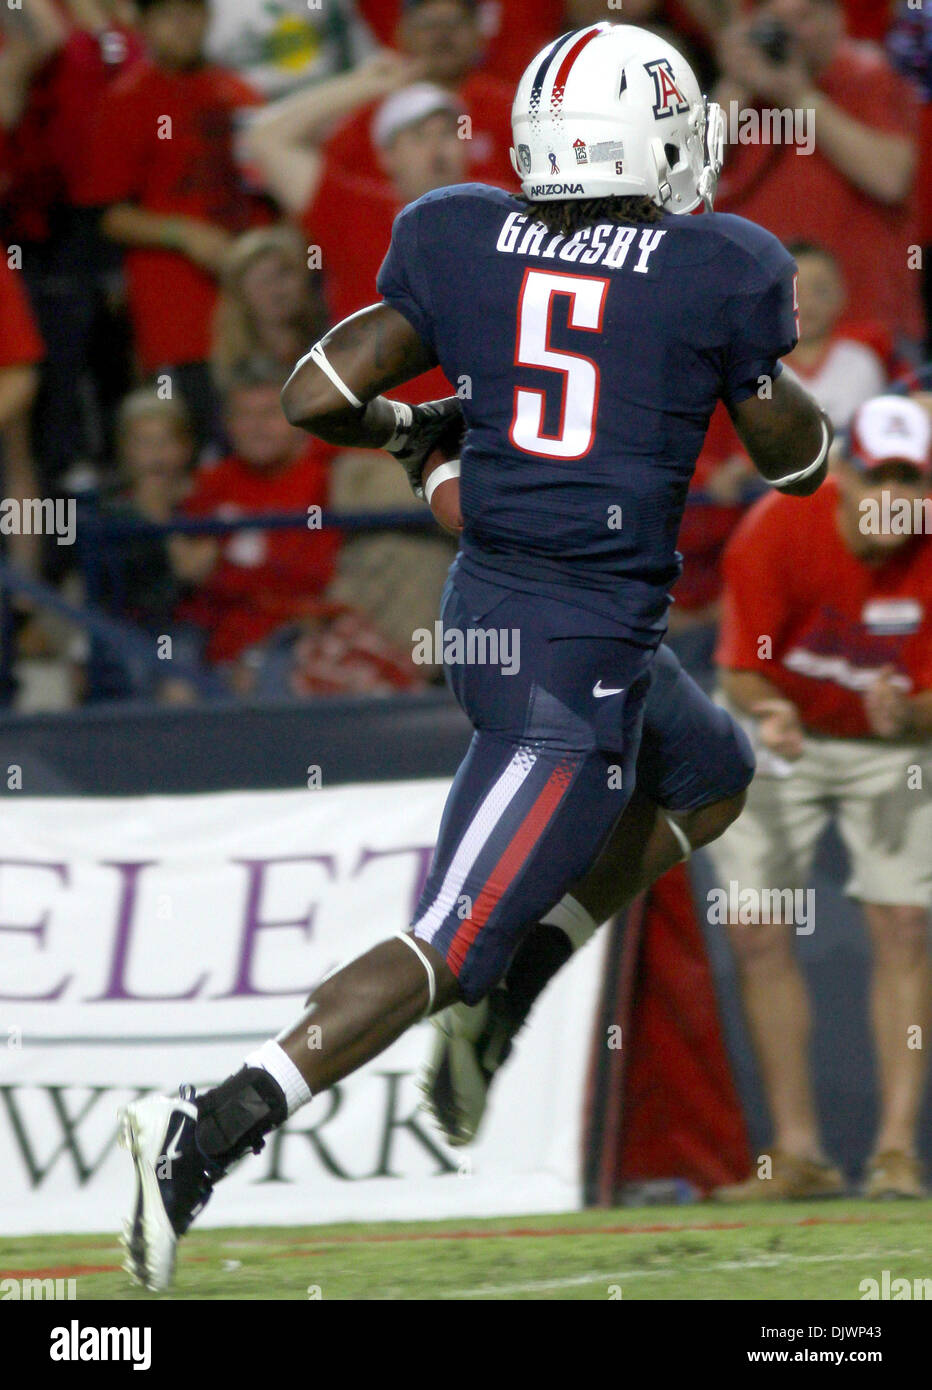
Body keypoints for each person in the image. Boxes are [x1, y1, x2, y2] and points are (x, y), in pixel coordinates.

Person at [117, 21, 830, 1291]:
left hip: (516, 610)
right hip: (565, 662)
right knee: (450, 942)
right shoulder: (717, 266)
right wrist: (760, 380)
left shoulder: (461, 231)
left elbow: (311, 395)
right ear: (648, 138)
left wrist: (424, 430)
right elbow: (795, 459)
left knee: (711, 776)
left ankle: (518, 988)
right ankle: (216, 1117)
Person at [705, 393, 932, 1201]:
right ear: (844, 475)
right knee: (759, 932)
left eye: (914, 482)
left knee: (904, 924)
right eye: (881, 478)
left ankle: (896, 1152)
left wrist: (910, 714)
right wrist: (770, 712)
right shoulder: (776, 527)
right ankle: (797, 1153)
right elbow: (737, 664)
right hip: (779, 726)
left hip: (894, 745)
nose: (896, 500)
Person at [81, 0, 266, 449]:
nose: (182, 25)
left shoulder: (239, 92)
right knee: (196, 443)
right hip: (177, 316)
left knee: (263, 431)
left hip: (254, 311)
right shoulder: (127, 100)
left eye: (192, 12)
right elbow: (105, 216)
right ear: (144, 25)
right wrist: (181, 234)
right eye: (168, 15)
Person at [712, 0, 921, 348]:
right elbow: (686, 174)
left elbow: (890, 179)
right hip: (759, 331)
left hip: (864, 326)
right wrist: (736, 85)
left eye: (804, 17)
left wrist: (797, 96)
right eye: (774, 19)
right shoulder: (744, 92)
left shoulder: (870, 77)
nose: (789, 32)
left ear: (837, 20)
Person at [174, 359, 341, 671]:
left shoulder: (325, 477)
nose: (256, 427)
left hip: (293, 633)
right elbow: (189, 574)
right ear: (227, 424)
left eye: (269, 414)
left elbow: (311, 578)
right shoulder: (211, 483)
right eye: (244, 415)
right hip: (211, 634)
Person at [211, 225, 327, 395]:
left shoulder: (334, 344)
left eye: (282, 275)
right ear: (240, 294)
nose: (276, 291)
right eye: (261, 282)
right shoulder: (230, 371)